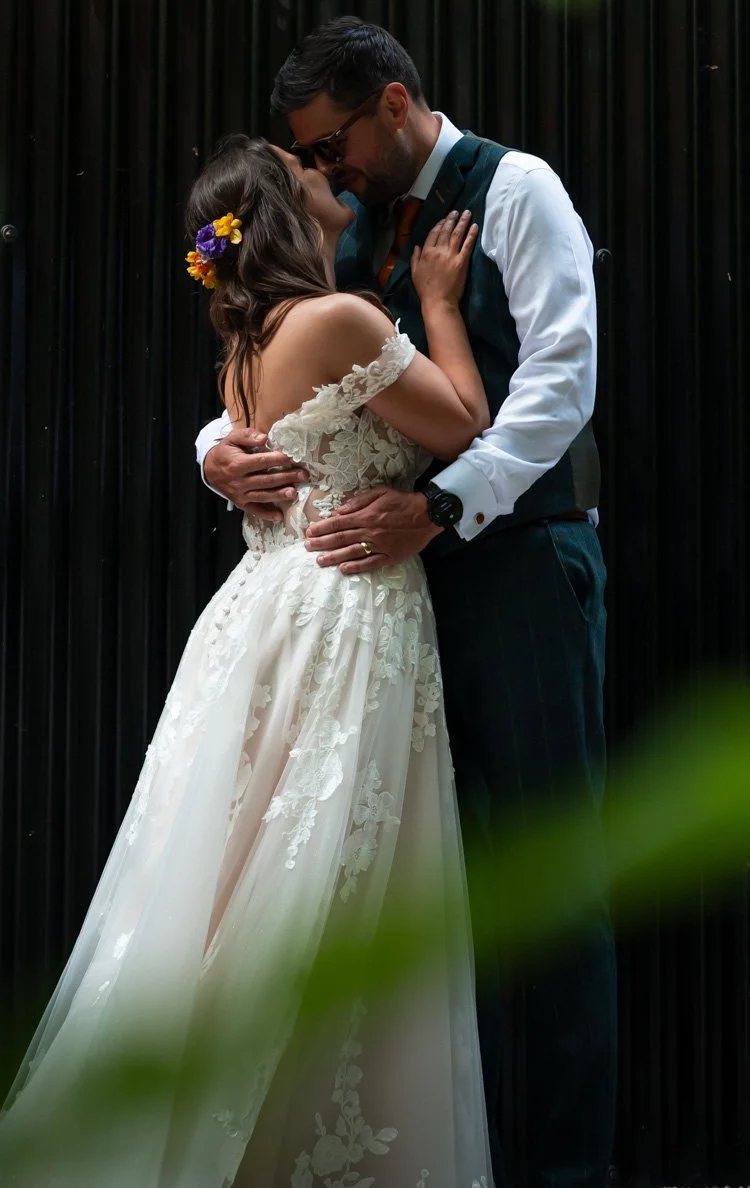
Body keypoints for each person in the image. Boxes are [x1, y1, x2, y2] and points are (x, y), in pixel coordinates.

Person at [0, 137, 493, 1188]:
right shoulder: (342, 319)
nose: (329, 171)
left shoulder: (245, 345)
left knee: (236, 877)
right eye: (306, 167)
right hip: (342, 608)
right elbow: (462, 427)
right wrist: (442, 305)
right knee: (320, 876)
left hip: (262, 613)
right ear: (288, 206)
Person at [199, 18, 617, 1188]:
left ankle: (564, 1172)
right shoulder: (339, 233)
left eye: (332, 145)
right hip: (384, 606)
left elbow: (560, 380)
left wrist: (442, 509)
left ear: (391, 103)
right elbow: (298, 369)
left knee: (553, 879)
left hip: (518, 566)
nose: (326, 173)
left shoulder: (517, 188)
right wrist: (215, 452)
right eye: (310, 159)